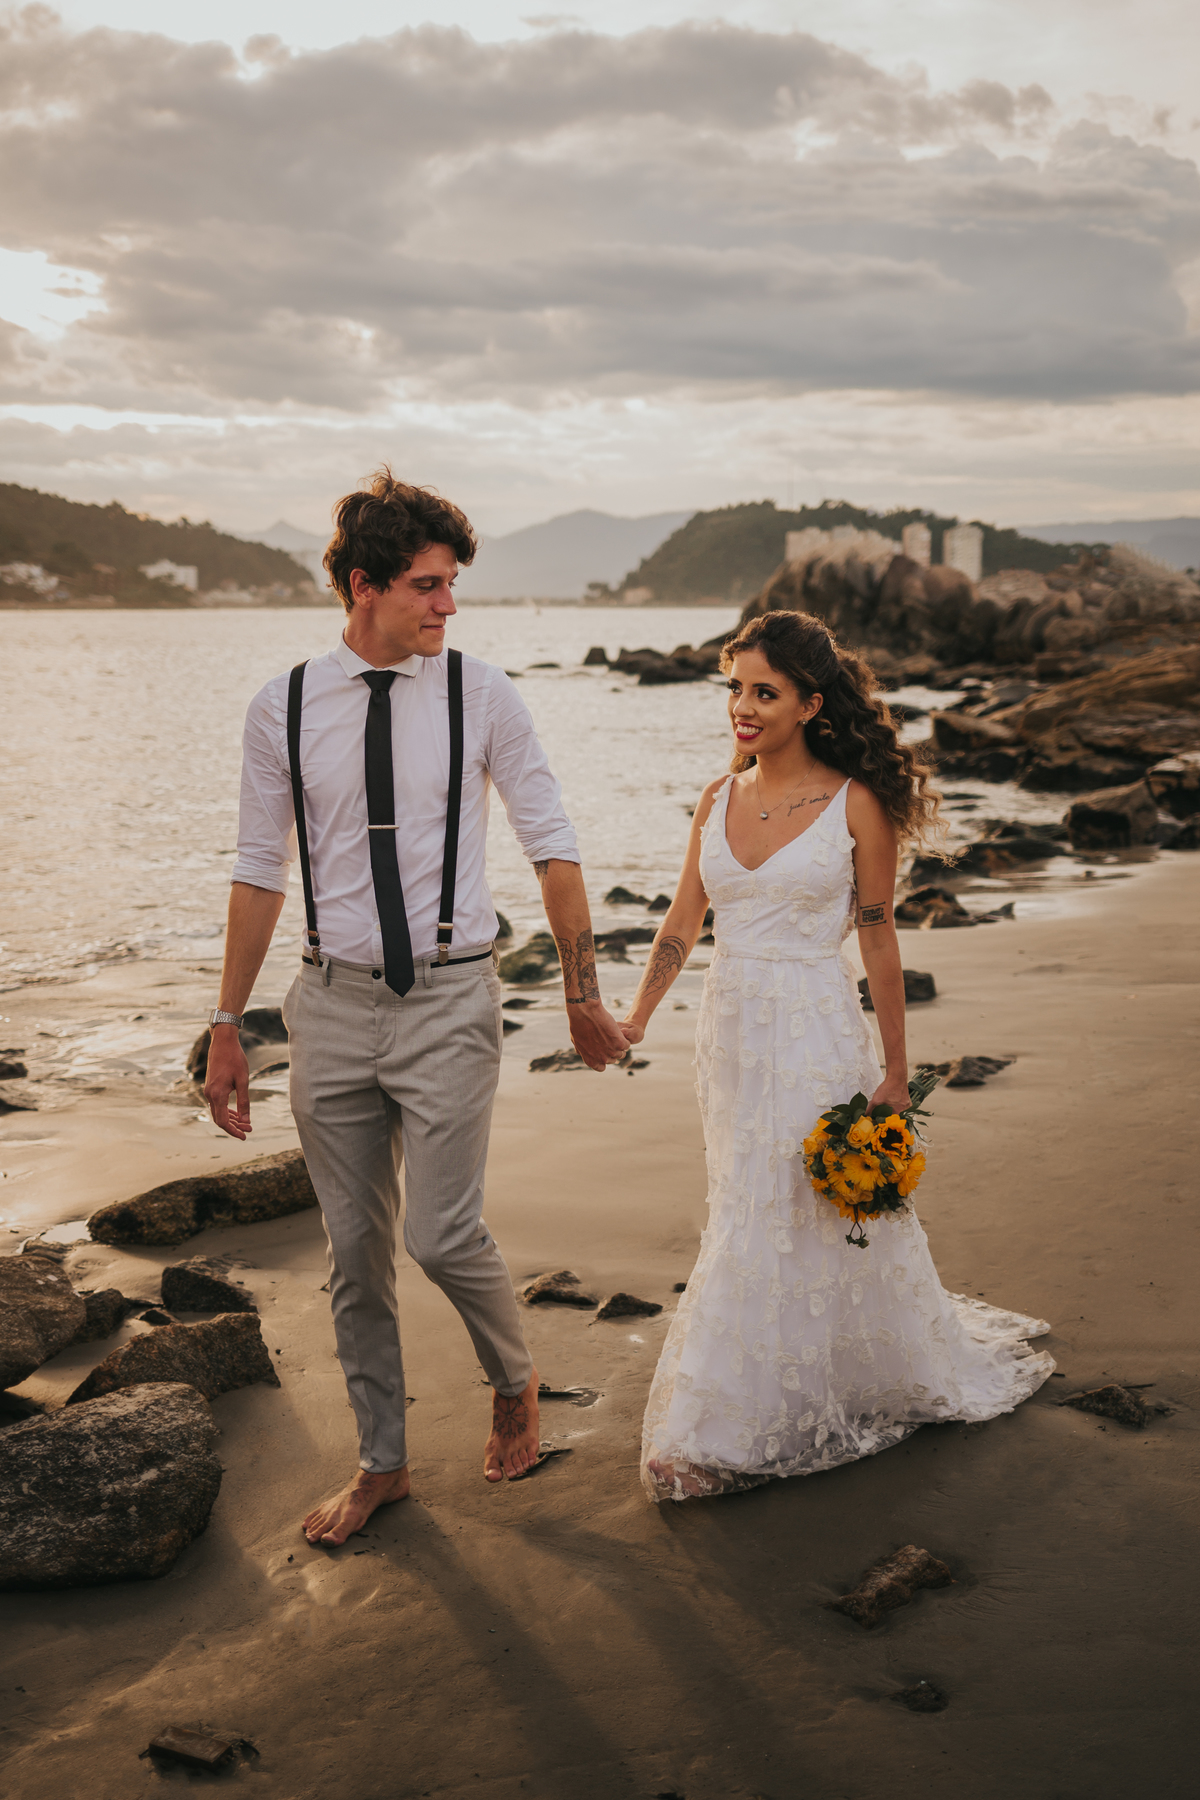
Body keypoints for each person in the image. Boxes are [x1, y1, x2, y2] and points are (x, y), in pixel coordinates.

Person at [204, 470, 628, 1543]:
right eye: (428, 587)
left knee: (441, 1235)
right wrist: (225, 1026)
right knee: (355, 1258)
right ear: (363, 587)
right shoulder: (284, 706)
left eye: (451, 586)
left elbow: (555, 848)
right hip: (331, 1008)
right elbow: (260, 872)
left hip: (449, 1001)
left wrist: (583, 995)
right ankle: (382, 1464)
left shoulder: (483, 694)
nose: (448, 607)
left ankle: (513, 1376)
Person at [620, 609, 1054, 1501]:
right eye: (734, 688)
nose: (742, 707)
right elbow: (682, 921)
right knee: (745, 1194)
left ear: (810, 703)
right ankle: (761, 1388)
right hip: (732, 1029)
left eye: (763, 692)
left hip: (815, 1023)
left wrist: (896, 1072)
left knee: (799, 1201)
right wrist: (635, 1019)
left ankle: (729, 1423)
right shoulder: (716, 796)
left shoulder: (854, 802)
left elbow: (880, 938)